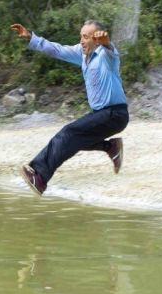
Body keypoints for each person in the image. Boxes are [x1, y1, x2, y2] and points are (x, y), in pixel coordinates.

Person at [10, 20, 129, 196]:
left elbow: (111, 51)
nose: (81, 40)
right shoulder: (81, 54)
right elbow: (57, 50)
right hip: (101, 114)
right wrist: (30, 37)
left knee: (68, 133)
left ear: (96, 40)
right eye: (81, 36)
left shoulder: (106, 56)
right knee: (75, 140)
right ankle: (111, 147)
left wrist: (106, 42)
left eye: (86, 37)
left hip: (115, 114)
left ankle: (39, 177)